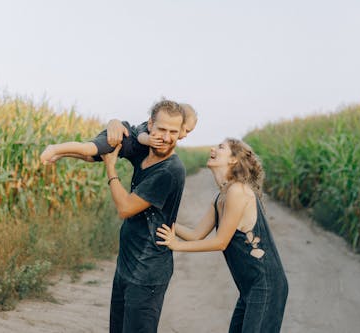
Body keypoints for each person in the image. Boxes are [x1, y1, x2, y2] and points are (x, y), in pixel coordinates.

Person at [155, 138, 288, 333]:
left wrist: (176, 245)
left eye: (221, 147)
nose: (212, 148)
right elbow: (195, 235)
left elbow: (221, 242)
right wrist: (163, 224)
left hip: (266, 285)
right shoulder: (221, 196)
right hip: (249, 288)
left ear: (233, 160)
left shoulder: (238, 191)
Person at [101, 100, 187, 333]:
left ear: (180, 134)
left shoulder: (170, 171)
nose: (167, 137)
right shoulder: (146, 154)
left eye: (173, 132)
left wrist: (110, 168)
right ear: (151, 125)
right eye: (161, 129)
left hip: (147, 274)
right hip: (126, 266)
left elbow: (125, 208)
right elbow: (128, 131)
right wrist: (113, 122)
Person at [39, 103, 197, 164]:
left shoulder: (164, 137)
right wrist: (149, 140)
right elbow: (141, 137)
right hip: (121, 137)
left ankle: (61, 154)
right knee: (88, 148)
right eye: (186, 130)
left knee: (89, 158)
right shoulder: (148, 130)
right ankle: (55, 148)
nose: (185, 135)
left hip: (123, 149)